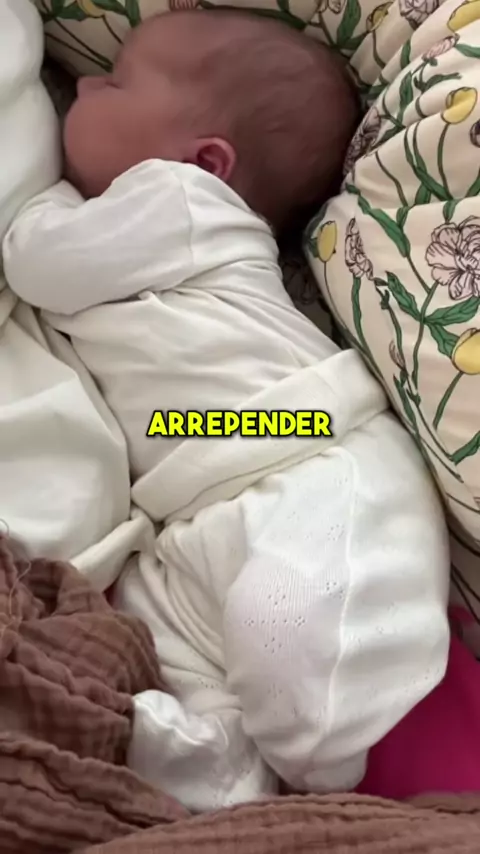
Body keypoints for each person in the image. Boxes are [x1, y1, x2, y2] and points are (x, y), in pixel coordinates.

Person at [3, 10, 450, 811]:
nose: (86, 83)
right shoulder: (158, 215)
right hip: (191, 501)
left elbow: (38, 262)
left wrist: (36, 194)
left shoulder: (183, 204)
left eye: (115, 82)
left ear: (206, 160)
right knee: (168, 652)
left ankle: (327, 763)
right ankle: (230, 776)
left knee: (299, 620)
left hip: (300, 449)